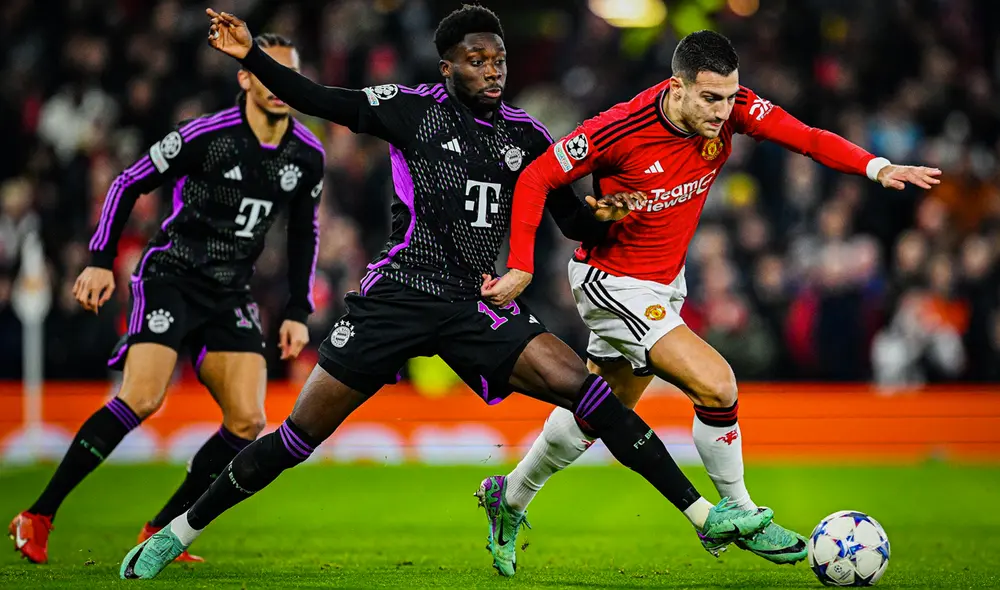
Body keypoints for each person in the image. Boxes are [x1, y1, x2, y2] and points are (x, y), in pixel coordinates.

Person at [118, 6, 775, 581]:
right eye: (477, 60)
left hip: (473, 302)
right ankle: (178, 532)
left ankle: (702, 514)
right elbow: (319, 97)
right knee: (296, 438)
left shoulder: (525, 134)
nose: (493, 70)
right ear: (448, 67)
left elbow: (570, 220)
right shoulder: (411, 110)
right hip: (397, 296)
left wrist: (606, 213)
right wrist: (253, 56)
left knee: (590, 392)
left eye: (500, 59)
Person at [480, 29, 942, 569]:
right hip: (611, 283)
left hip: (663, 285)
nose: (725, 112)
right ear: (676, 88)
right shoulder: (618, 128)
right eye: (711, 98)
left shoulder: (733, 107)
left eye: (730, 97)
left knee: (598, 412)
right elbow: (536, 176)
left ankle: (507, 497)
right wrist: (520, 265)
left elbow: (808, 138)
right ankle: (739, 512)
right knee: (717, 382)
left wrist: (876, 166)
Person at [9, 34, 324, 566]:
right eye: (265, 73)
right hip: (172, 276)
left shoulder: (307, 155)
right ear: (245, 77)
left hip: (230, 292)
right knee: (143, 397)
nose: (277, 86)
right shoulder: (208, 136)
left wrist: (297, 310)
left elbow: (303, 234)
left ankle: (160, 531)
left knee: (248, 422)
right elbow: (127, 183)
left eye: (286, 75)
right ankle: (38, 514)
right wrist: (100, 259)